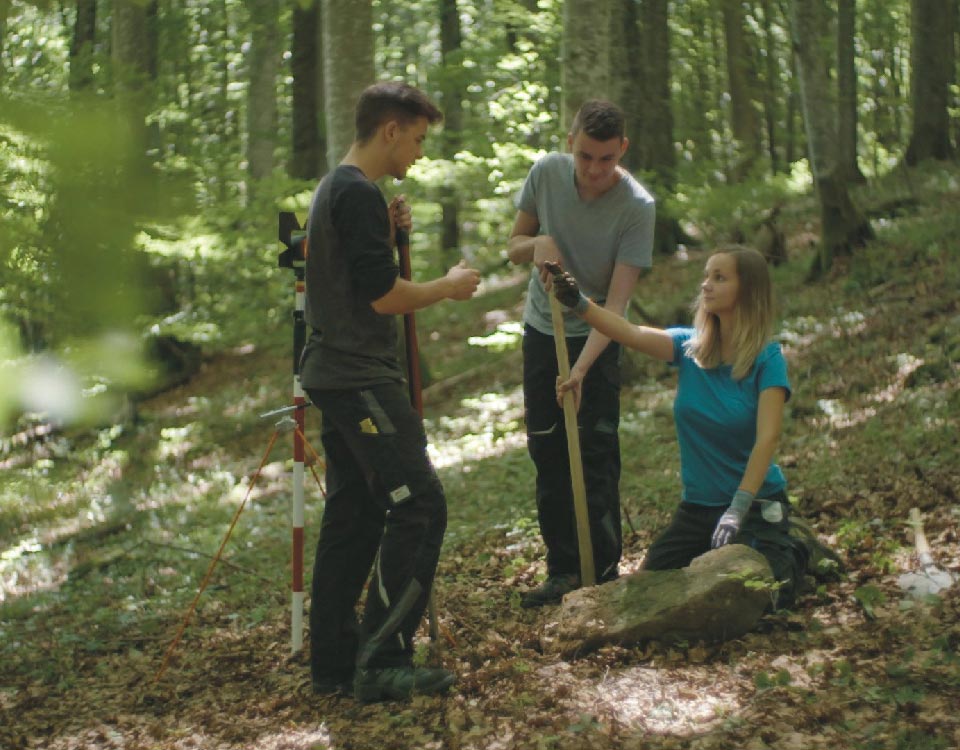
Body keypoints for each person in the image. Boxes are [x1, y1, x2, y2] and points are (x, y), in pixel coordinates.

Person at [301, 81, 481, 701]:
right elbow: (383, 297)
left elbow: (355, 275)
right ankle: (382, 660)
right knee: (420, 503)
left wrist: (386, 227)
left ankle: (333, 663)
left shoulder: (340, 189)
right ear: (390, 130)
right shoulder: (354, 192)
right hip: (359, 377)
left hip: (336, 372)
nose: (420, 153)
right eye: (419, 139)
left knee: (354, 514)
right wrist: (448, 286)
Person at [546, 247, 809, 609]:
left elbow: (768, 438)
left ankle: (793, 545)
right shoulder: (689, 348)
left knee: (763, 595)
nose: (706, 285)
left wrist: (738, 508)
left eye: (720, 277)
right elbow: (629, 332)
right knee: (645, 593)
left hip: (754, 505)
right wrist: (578, 303)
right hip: (697, 510)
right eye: (707, 275)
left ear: (748, 290)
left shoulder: (768, 359)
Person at [507, 99, 656, 607]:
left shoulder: (637, 207)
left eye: (606, 159)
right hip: (542, 330)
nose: (594, 170)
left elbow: (616, 307)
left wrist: (582, 369)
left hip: (598, 335)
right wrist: (537, 244)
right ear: (570, 143)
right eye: (585, 156)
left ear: (623, 150)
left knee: (595, 450)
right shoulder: (546, 174)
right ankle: (563, 570)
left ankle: (602, 570)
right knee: (548, 450)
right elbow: (513, 244)